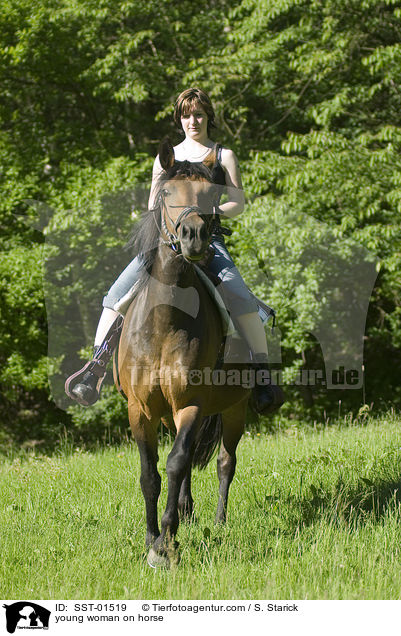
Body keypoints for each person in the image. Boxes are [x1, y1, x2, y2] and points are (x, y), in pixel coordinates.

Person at [65, 88, 284, 414]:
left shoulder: (223, 156)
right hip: (165, 242)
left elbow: (237, 203)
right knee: (115, 295)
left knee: (241, 297)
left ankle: (263, 375)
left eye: (198, 114)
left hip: (208, 241)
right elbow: (153, 204)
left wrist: (208, 212)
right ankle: (96, 366)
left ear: (208, 116)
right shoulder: (165, 158)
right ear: (179, 118)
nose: (192, 121)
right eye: (186, 115)